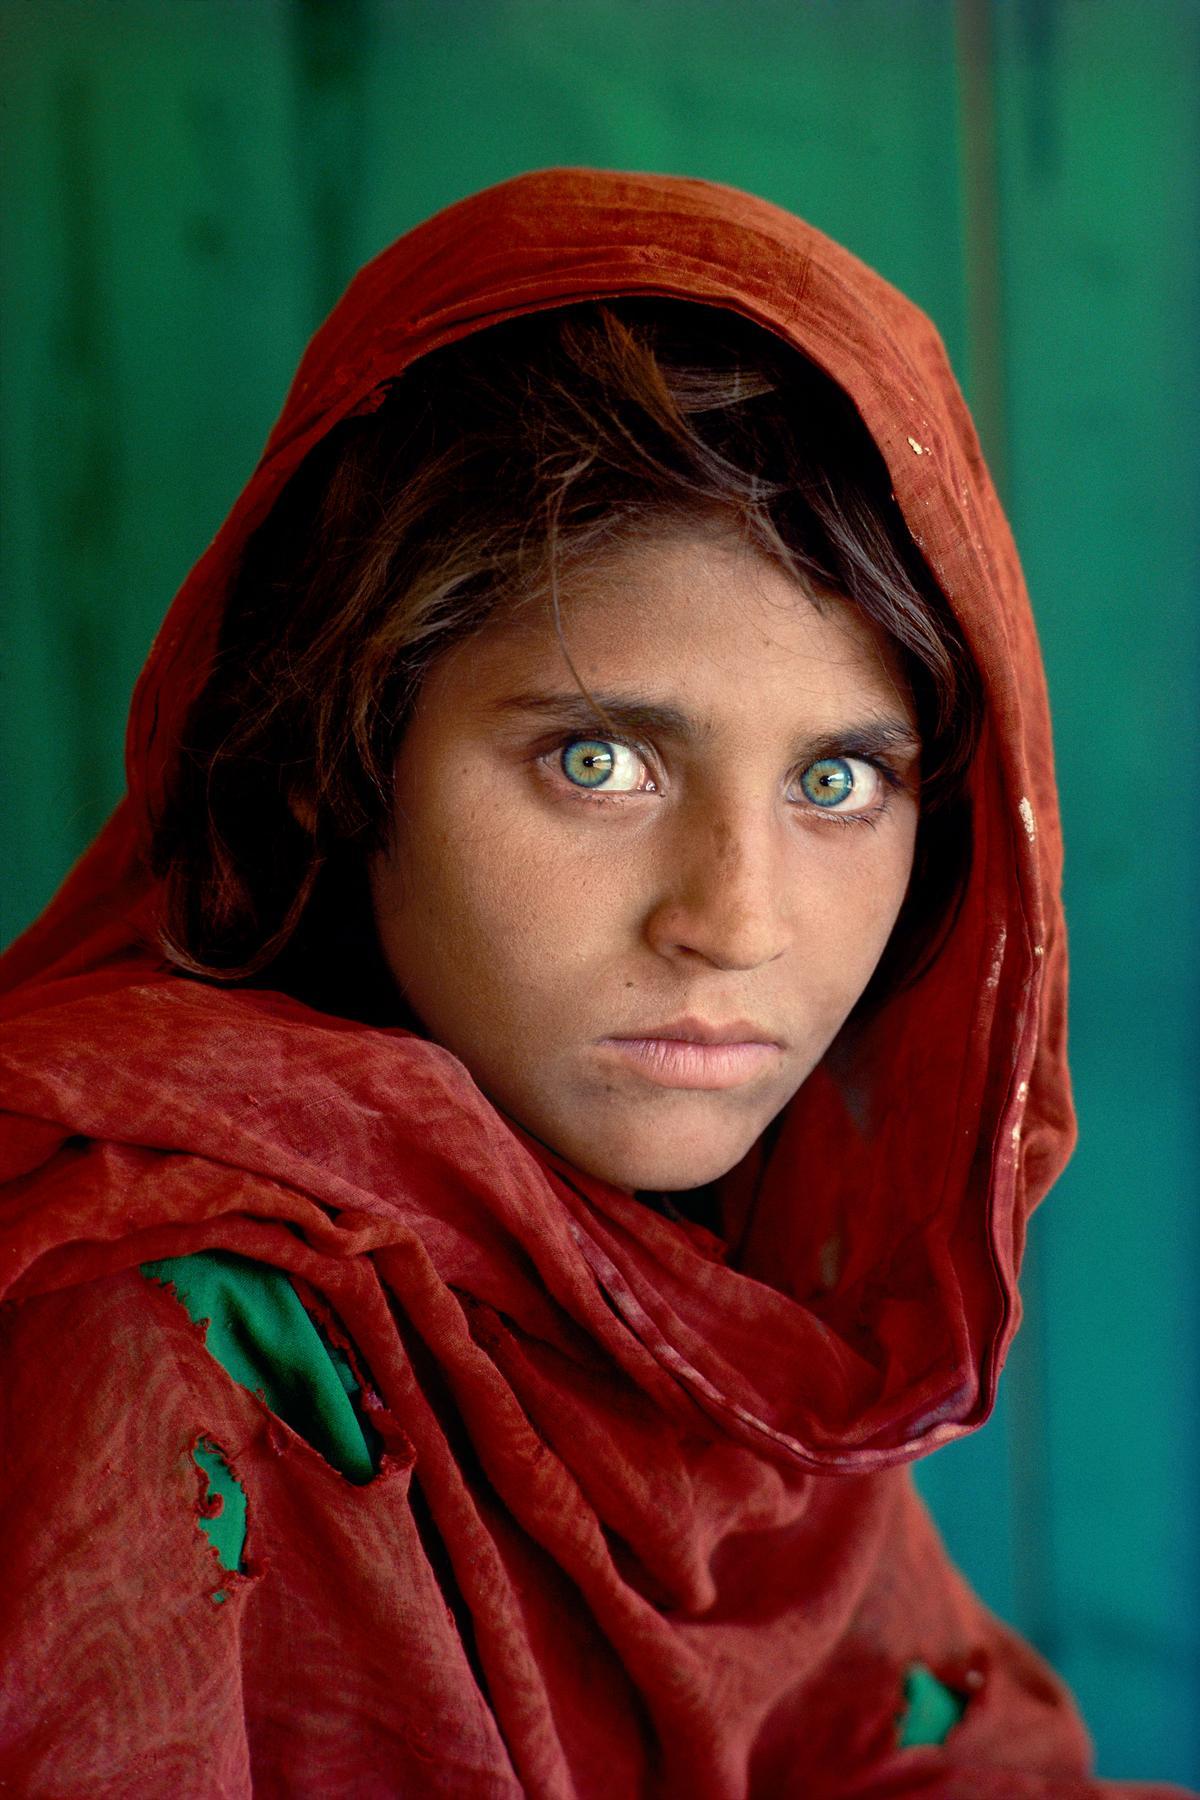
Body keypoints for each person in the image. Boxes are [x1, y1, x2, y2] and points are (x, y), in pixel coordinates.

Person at [0, 168, 1189, 1799]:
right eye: (599, 756)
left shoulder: (708, 1316)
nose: (735, 921)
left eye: (840, 783)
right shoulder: (151, 1323)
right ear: (331, 757)